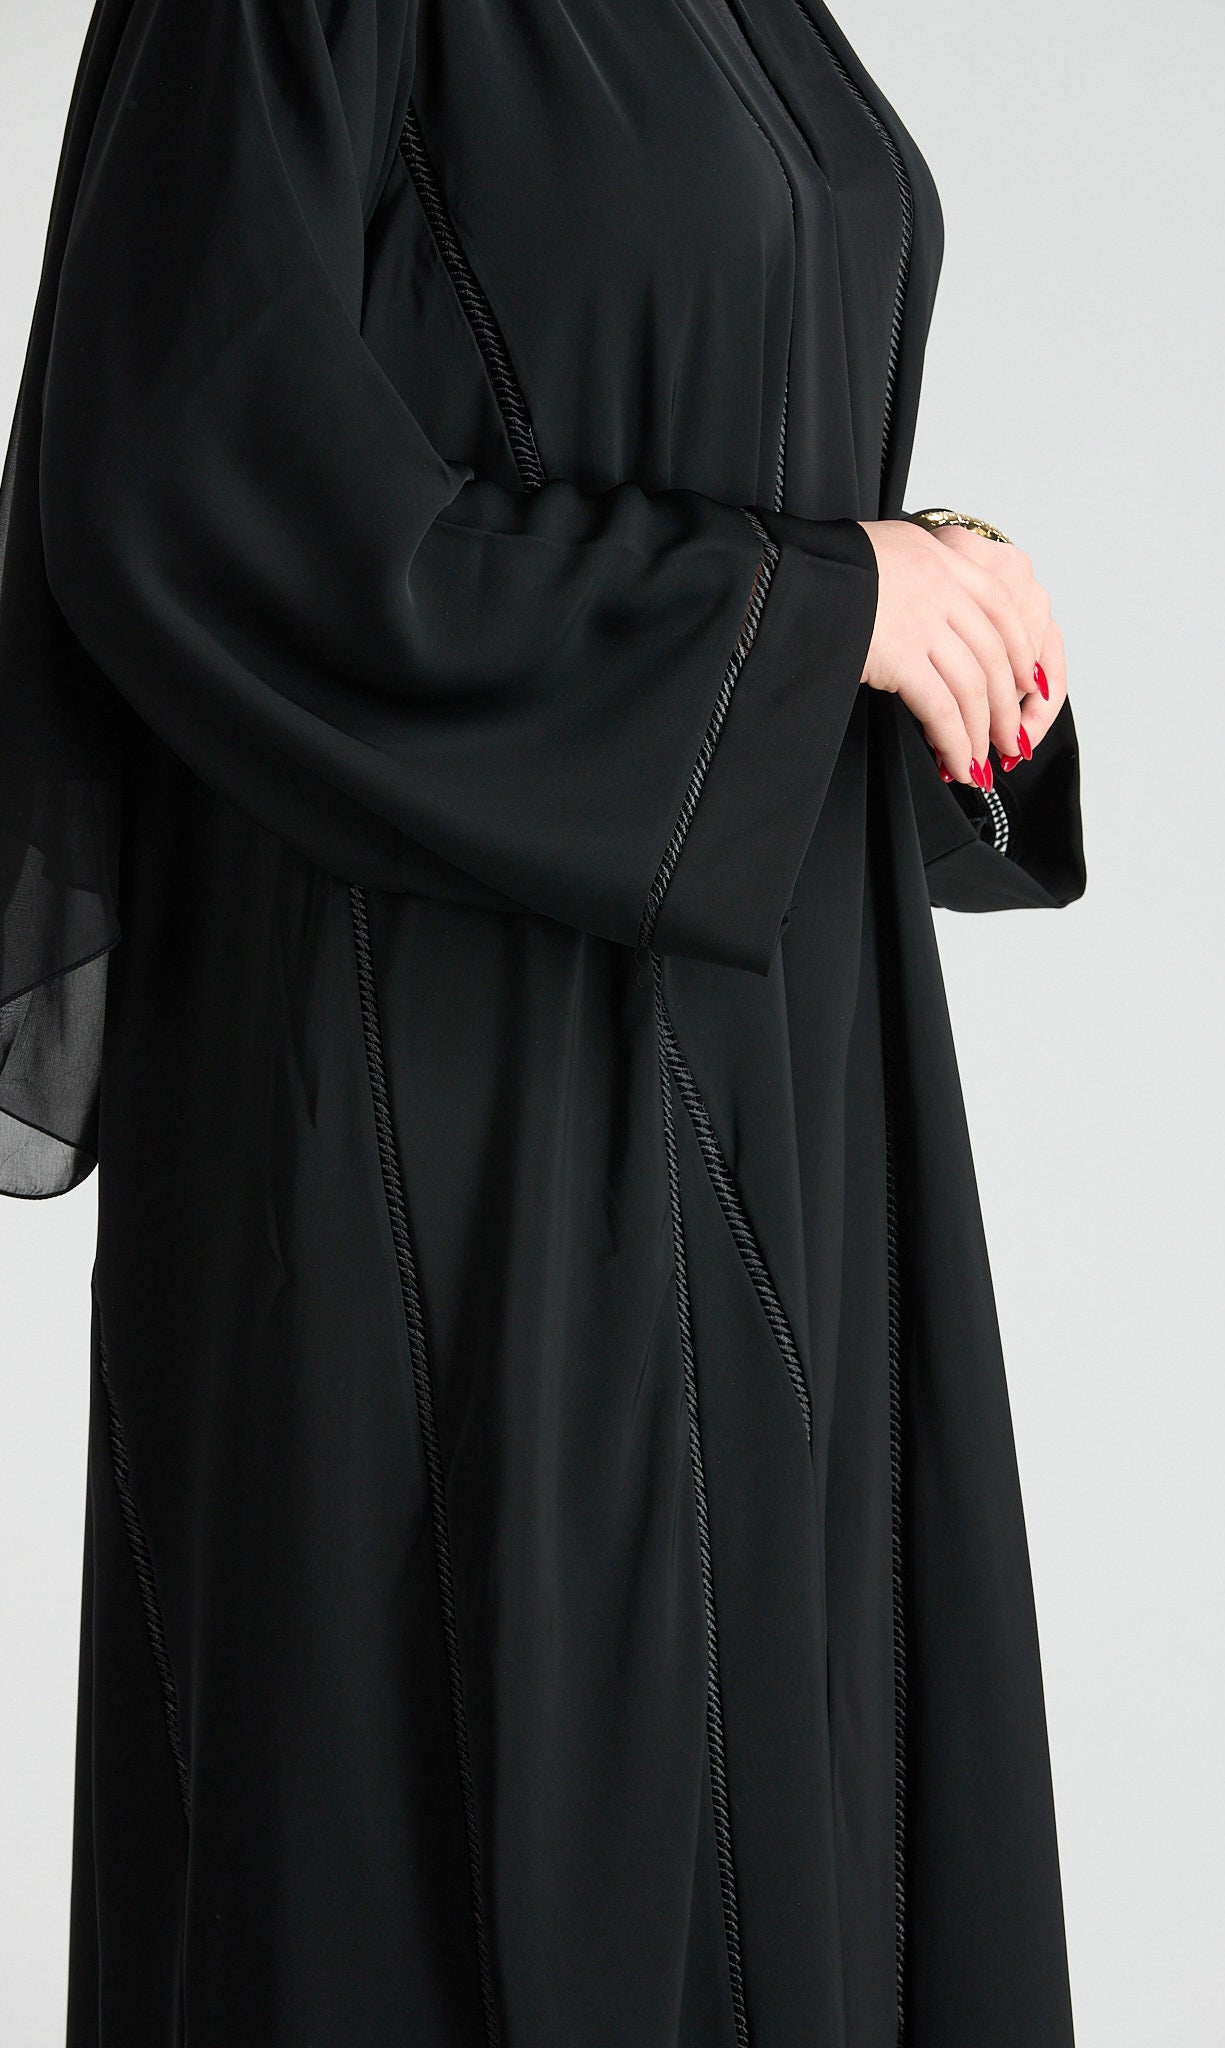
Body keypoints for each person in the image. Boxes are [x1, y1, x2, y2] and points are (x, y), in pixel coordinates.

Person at [0, 0, 1085, 2041]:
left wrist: (912, 589)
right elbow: (178, 475)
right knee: (478, 1807)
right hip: (433, 1056)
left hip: (774, 1041)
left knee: (792, 1797)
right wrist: (807, 610)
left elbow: (704, 428)